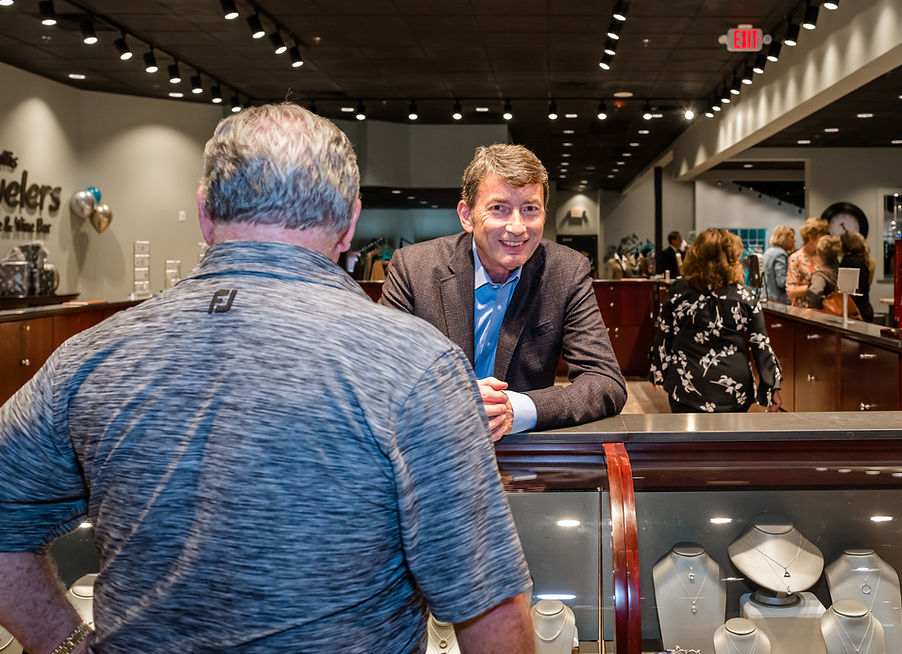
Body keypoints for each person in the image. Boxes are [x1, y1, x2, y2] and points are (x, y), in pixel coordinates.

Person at [0, 104, 533, 654]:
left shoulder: (91, 357)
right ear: (351, 222)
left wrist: (66, 645)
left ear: (204, 213)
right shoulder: (417, 366)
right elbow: (489, 610)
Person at [381, 144, 626, 437]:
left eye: (530, 209)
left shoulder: (566, 271)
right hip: (430, 446)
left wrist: (516, 408)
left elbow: (605, 381)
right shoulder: (413, 268)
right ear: (467, 215)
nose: (517, 227)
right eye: (499, 208)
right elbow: (379, 375)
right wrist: (451, 400)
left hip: (523, 457)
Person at [650, 228, 782, 414]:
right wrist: (771, 387)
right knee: (729, 442)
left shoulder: (679, 290)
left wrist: (658, 370)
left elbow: (664, 333)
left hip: (686, 384)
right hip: (733, 389)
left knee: (687, 442)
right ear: (732, 260)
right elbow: (760, 344)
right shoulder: (745, 296)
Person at [785, 217, 830, 306]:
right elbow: (791, 291)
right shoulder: (796, 258)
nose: (825, 239)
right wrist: (814, 287)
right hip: (804, 312)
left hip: (826, 310)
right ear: (810, 236)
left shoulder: (825, 256)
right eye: (822, 235)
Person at [839, 231, 876, 322]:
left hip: (856, 310)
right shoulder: (865, 260)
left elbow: (847, 290)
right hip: (866, 307)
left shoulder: (848, 261)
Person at [803, 235, 842, 309]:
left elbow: (815, 292)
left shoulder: (821, 275)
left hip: (824, 316)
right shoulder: (840, 270)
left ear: (818, 252)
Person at [762, 225, 795, 304]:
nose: (794, 240)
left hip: (766, 297)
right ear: (784, 238)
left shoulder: (768, 251)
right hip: (778, 301)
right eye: (792, 237)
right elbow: (781, 282)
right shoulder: (781, 254)